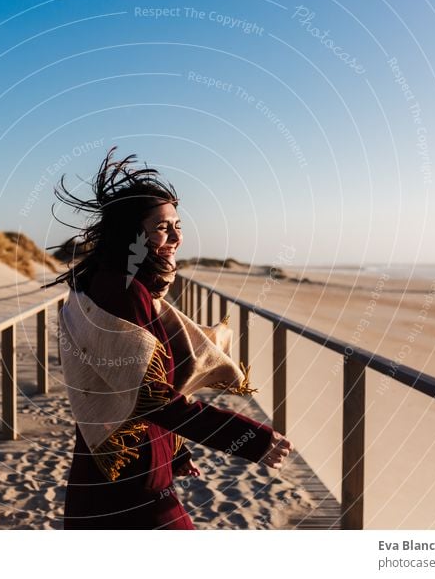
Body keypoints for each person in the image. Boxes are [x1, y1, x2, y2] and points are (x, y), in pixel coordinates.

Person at [41, 146, 293, 530]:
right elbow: (153, 398)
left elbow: (135, 387)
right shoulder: (123, 293)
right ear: (132, 234)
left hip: (120, 471)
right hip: (127, 486)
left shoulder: (120, 282)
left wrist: (173, 452)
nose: (176, 235)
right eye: (162, 226)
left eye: (177, 224)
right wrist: (251, 438)